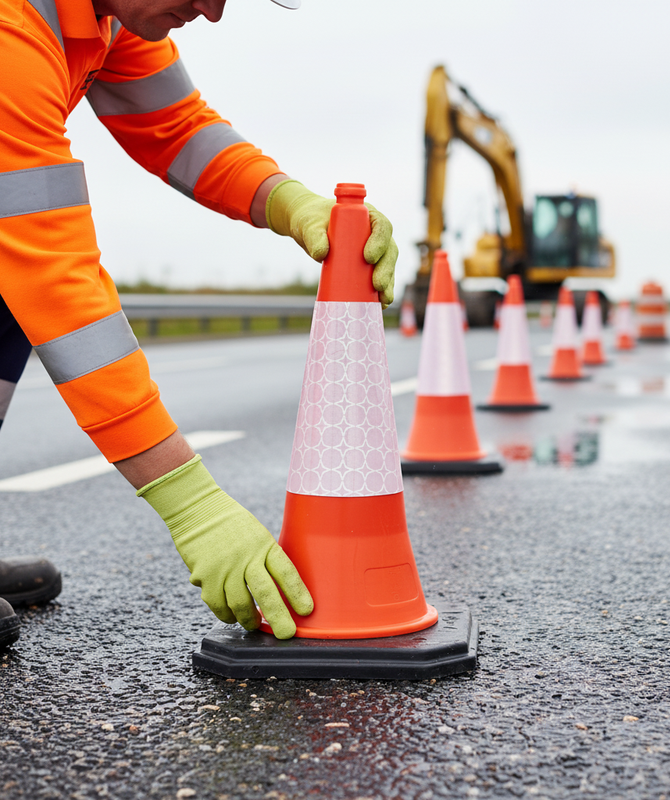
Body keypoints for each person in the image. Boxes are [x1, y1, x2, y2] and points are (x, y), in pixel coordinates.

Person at [0, 0, 398, 651]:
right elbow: (55, 283)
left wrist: (292, 203)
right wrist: (191, 502)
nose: (212, 12)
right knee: (18, 270)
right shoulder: (12, 33)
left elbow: (178, 129)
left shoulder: (107, 16)